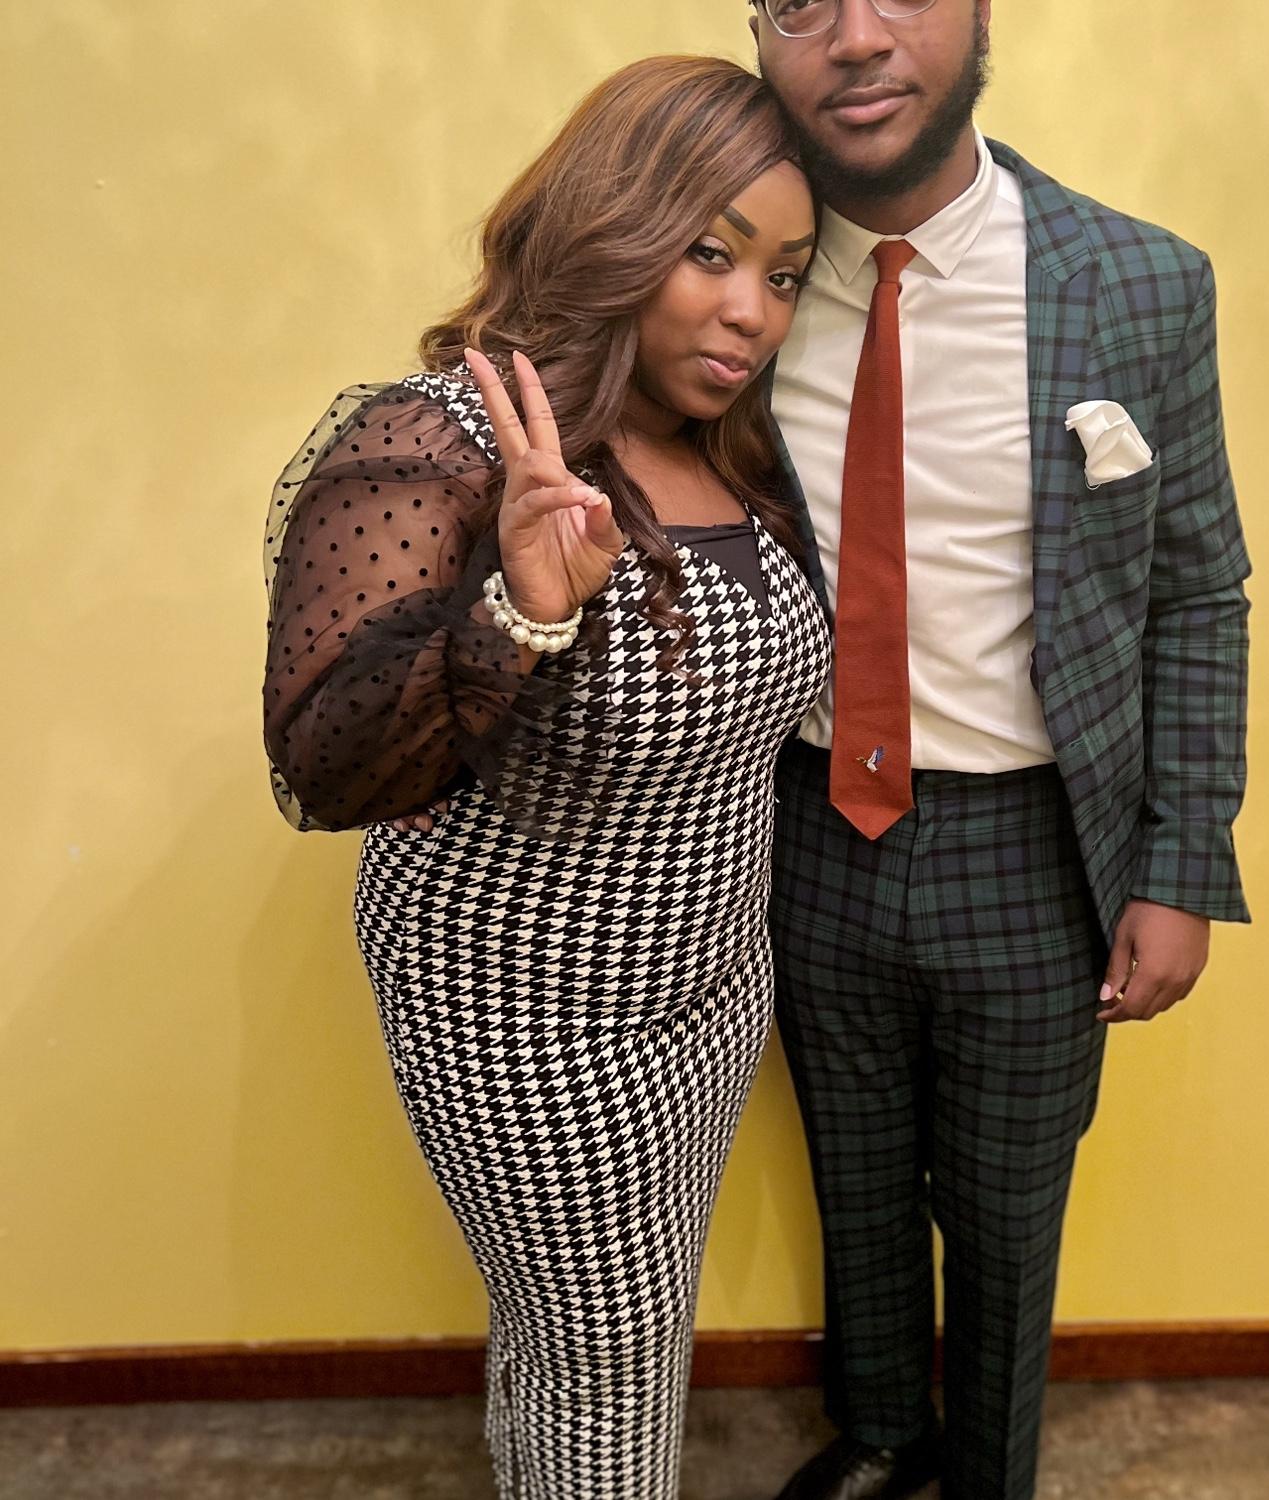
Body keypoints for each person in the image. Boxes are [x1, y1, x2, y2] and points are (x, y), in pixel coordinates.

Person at [260, 56, 826, 1498]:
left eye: (783, 274)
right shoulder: (437, 438)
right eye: (713, 253)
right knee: (609, 1362)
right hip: (517, 1003)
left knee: (587, 1346)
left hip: (709, 989)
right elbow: (326, 764)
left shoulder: (733, 455)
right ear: (616, 224)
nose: (752, 312)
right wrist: (522, 609)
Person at [748, 2, 1253, 1496]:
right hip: (801, 824)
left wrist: (1182, 864)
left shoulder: (1140, 283)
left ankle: (987, 1473)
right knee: (852, 1174)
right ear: (758, 35)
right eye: (801, 1)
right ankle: (881, 1430)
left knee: (1009, 1209)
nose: (855, 39)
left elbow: (1197, 590)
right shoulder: (732, 283)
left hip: (1034, 848)